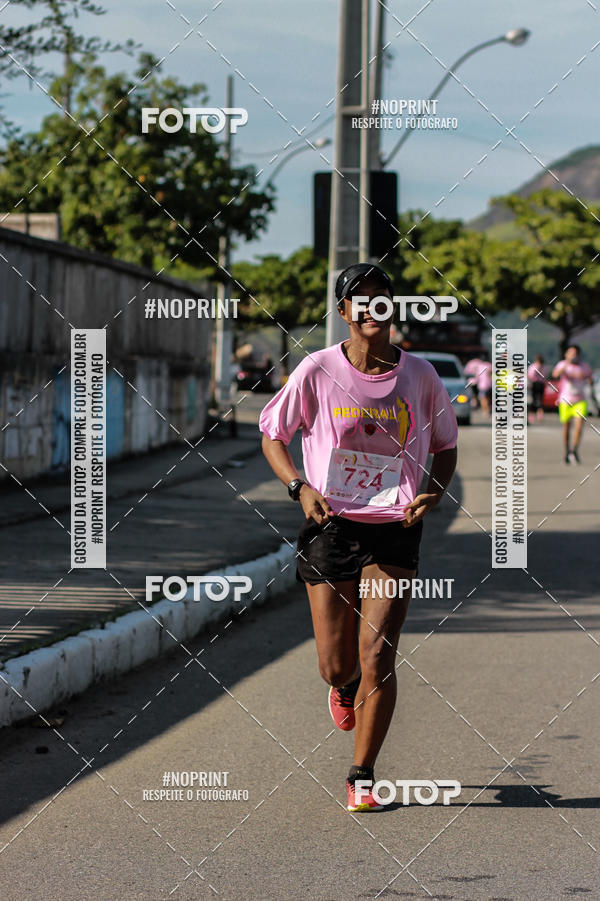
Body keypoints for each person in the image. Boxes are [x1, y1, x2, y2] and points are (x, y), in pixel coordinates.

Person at [259, 263, 458, 812]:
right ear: (344, 312)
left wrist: (433, 492)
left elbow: (444, 446)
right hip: (330, 526)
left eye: (382, 299)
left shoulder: (419, 376)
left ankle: (362, 774)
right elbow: (274, 434)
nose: (373, 309)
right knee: (337, 662)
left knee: (379, 654)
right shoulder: (318, 369)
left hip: (395, 529)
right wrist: (299, 486)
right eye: (360, 300)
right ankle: (342, 688)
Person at [552, 345, 592, 464]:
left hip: (580, 400)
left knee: (579, 425)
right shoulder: (562, 364)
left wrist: (586, 377)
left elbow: (590, 379)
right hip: (565, 400)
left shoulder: (584, 366)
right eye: (571, 353)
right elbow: (555, 374)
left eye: (575, 353)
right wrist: (566, 365)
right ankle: (566, 452)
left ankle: (574, 450)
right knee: (566, 426)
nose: (573, 355)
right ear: (567, 354)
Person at [527, 355, 547, 424]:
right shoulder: (533, 366)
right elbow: (530, 375)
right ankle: (531, 415)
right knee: (532, 400)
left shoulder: (544, 367)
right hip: (534, 384)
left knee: (540, 399)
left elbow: (544, 376)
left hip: (540, 384)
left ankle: (540, 414)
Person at [476, 351, 493, 417]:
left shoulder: (479, 366)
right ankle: (488, 409)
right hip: (489, 384)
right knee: (488, 398)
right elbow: (491, 374)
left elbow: (477, 376)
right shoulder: (489, 365)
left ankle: (485, 410)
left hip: (482, 385)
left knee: (483, 398)